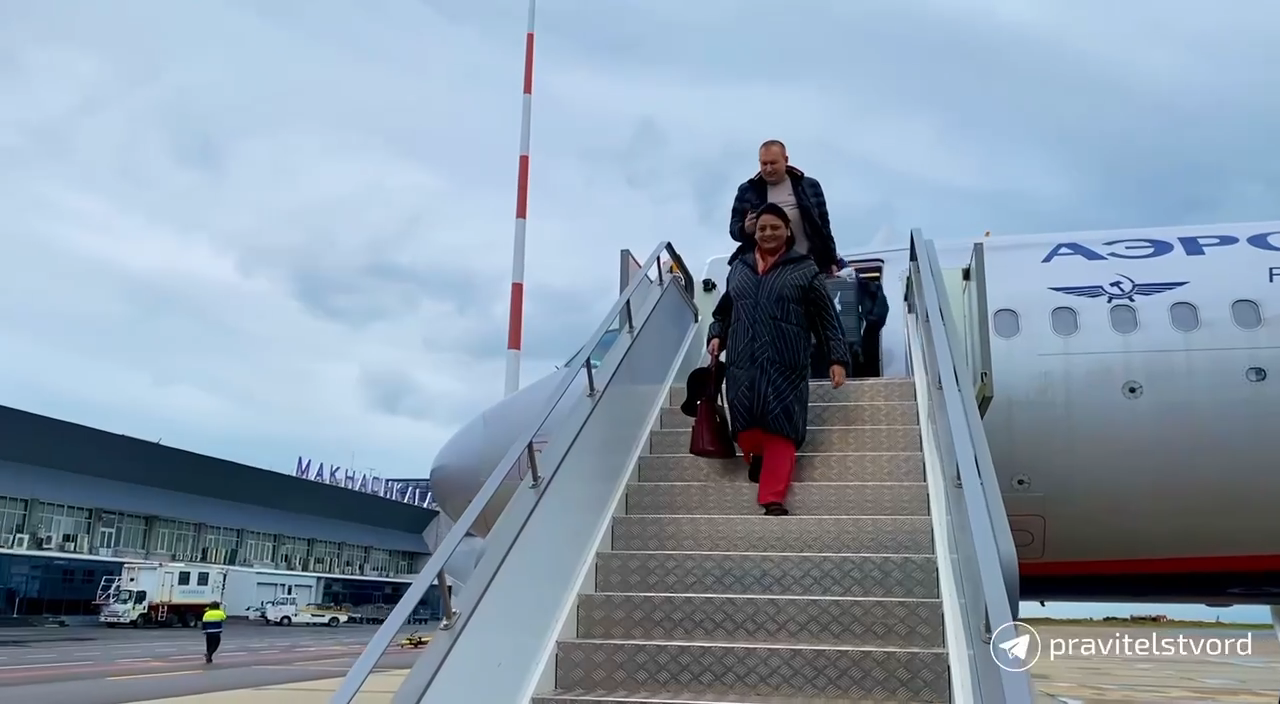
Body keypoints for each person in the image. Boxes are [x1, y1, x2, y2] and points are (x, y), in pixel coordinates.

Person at [708, 202, 852, 516]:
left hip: (785, 362)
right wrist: (717, 334)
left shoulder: (804, 269)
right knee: (745, 426)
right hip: (743, 360)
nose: (768, 233)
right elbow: (724, 311)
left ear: (787, 230)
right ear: (754, 233)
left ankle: (773, 498)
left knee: (780, 429)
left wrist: (836, 359)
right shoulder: (739, 268)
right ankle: (755, 455)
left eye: (775, 227)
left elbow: (826, 319)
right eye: (762, 228)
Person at [728, 140, 841, 276]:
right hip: (766, 272)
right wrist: (745, 229)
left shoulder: (809, 186)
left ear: (786, 160)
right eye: (764, 164)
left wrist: (832, 261)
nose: (768, 169)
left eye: (773, 163)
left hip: (810, 266)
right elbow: (733, 230)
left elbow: (824, 228)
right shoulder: (747, 190)